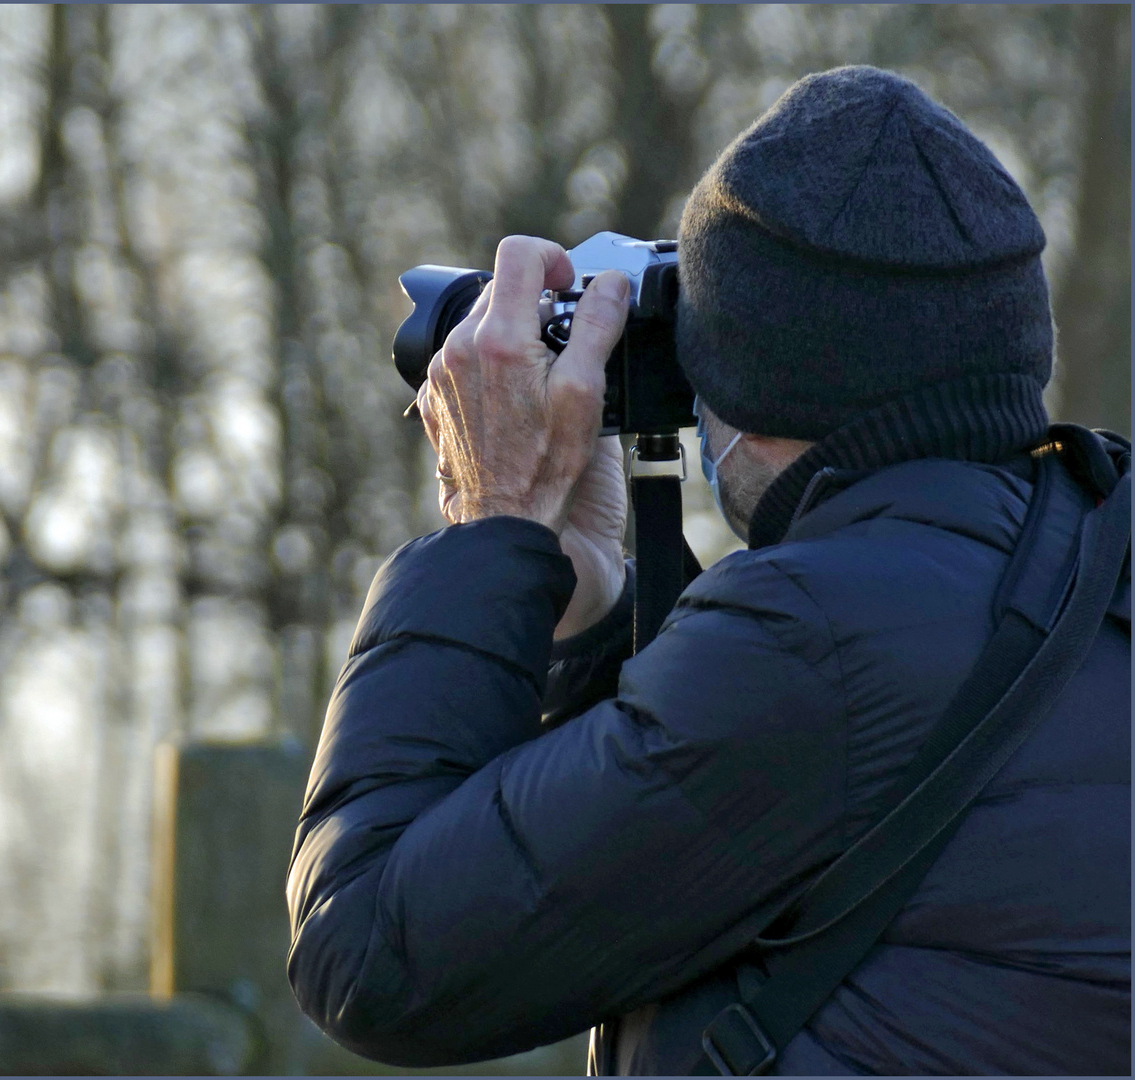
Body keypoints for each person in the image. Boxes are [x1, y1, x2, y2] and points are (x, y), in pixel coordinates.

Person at [285, 66, 1131, 1075]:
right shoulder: (1089, 558)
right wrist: (585, 601)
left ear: (748, 374)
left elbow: (372, 952)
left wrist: (489, 522)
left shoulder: (819, 639)